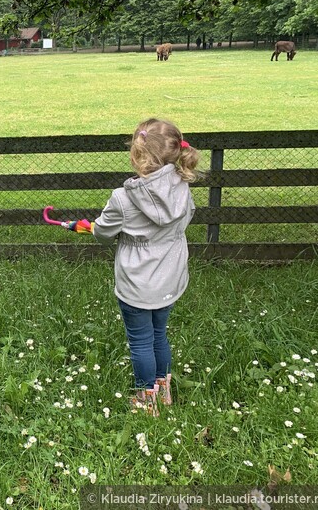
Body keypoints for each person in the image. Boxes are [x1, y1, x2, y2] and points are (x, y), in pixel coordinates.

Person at [92, 118, 200, 415]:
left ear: (138, 155)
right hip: (170, 277)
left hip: (137, 283)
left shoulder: (123, 199)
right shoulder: (183, 186)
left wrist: (95, 228)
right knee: (159, 334)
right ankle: (163, 392)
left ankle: (145, 399)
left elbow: (102, 233)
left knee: (141, 341)